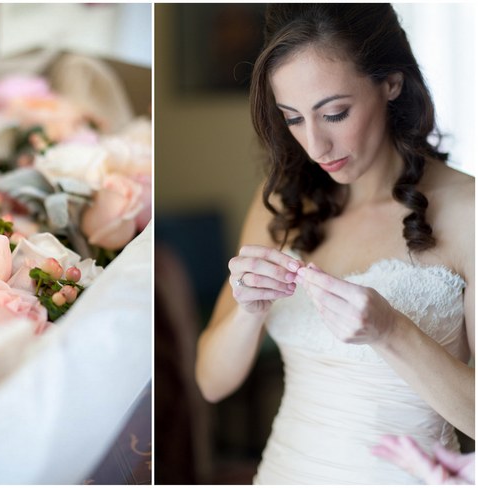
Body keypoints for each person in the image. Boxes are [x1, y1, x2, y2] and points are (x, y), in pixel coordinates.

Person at [195, 4, 474, 484]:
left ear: (391, 82)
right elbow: (211, 383)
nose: (315, 146)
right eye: (294, 119)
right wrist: (249, 310)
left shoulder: (467, 211)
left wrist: (391, 331)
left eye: (335, 113)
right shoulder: (282, 207)